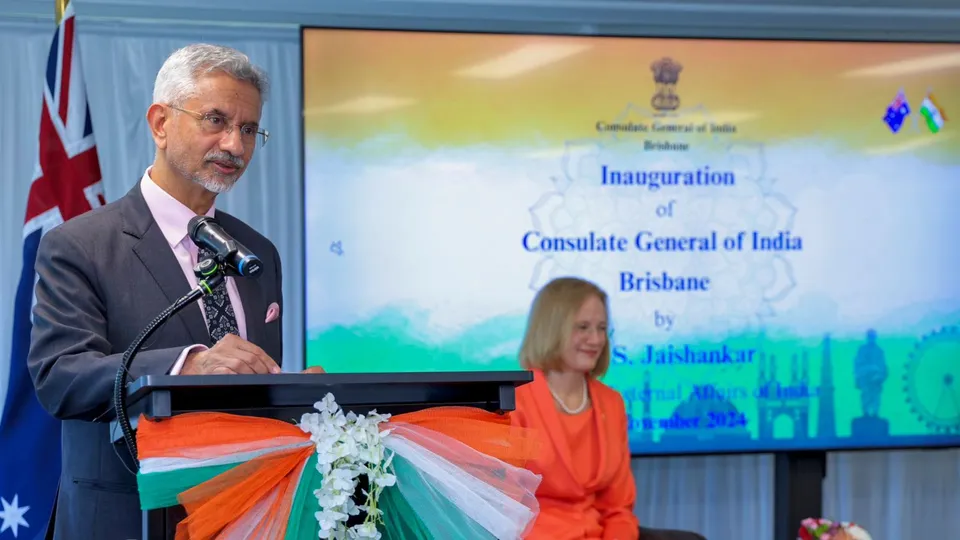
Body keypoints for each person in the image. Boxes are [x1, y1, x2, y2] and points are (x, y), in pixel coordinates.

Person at [26, 43, 321, 540]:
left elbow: (250, 391)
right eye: (216, 120)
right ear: (161, 123)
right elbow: (60, 377)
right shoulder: (80, 244)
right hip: (126, 519)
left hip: (245, 515)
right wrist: (185, 365)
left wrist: (299, 395)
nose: (235, 145)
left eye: (249, 129)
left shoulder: (259, 252)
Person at [511, 277, 640, 540]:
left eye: (602, 328)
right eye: (583, 327)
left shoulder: (611, 402)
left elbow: (618, 508)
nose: (595, 339)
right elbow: (505, 505)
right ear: (551, 329)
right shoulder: (514, 401)